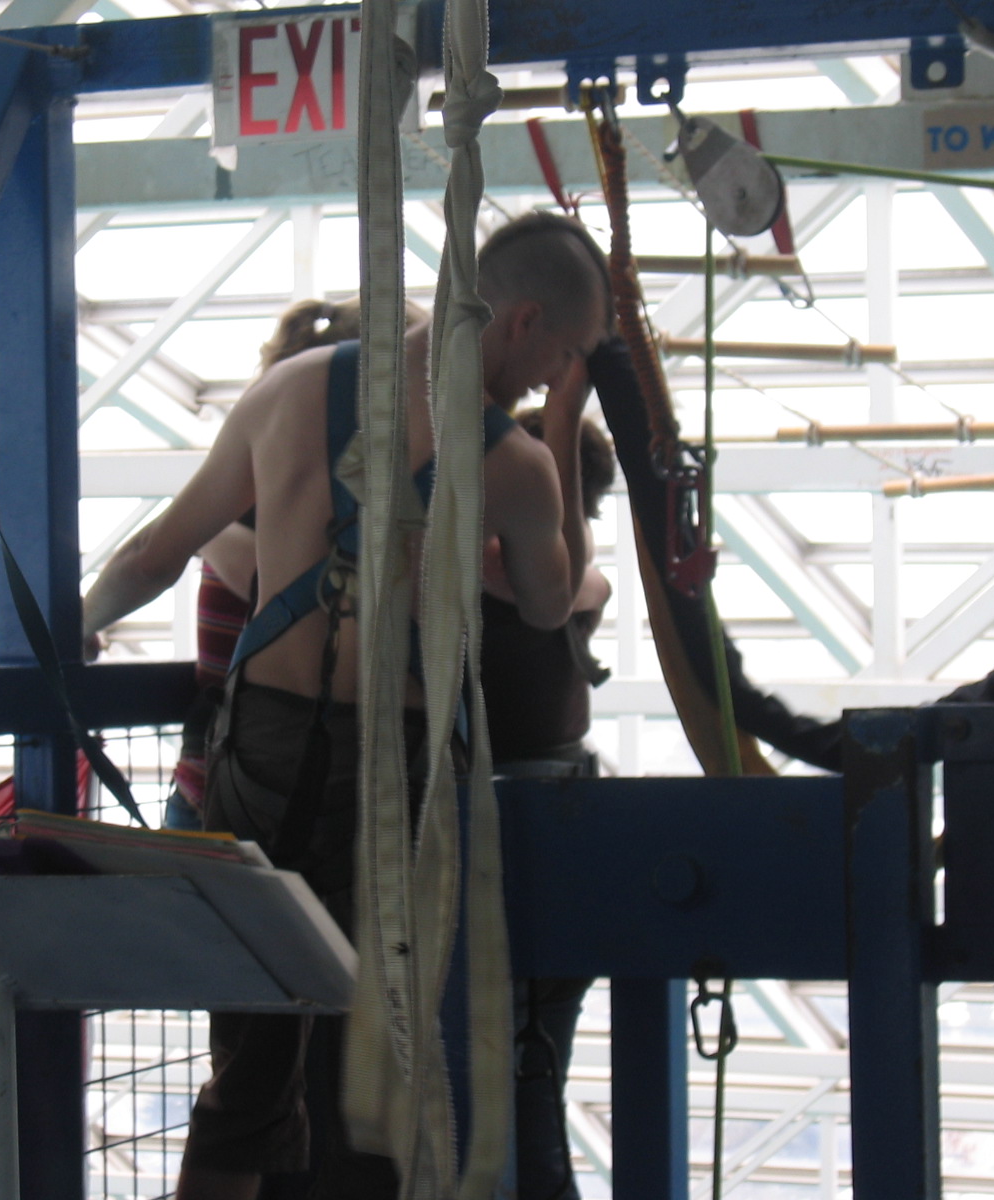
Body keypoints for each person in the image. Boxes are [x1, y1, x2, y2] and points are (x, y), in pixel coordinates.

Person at [83, 211, 611, 1200]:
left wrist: (72, 630)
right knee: (378, 1078)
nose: (555, 378)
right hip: (391, 772)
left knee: (248, 1070)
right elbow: (550, 604)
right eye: (564, 356)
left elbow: (155, 555)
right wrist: (561, 430)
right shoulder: (512, 462)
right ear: (524, 321)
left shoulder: (290, 390)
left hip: (261, 753)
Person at [83, 297, 420, 832]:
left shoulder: (252, 495)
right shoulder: (341, 505)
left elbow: (148, 558)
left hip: (231, 778)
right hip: (324, 777)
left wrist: (80, 624)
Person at [480, 410, 615, 1200]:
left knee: (509, 1063)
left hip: (503, 831)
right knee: (536, 1061)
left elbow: (528, 581)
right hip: (569, 827)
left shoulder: (532, 582)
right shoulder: (587, 587)